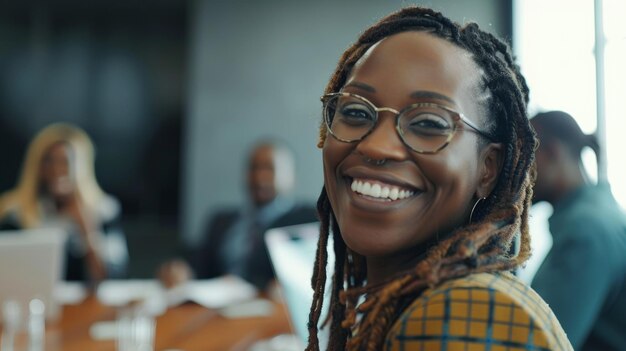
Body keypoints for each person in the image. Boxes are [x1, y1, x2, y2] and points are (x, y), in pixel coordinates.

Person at [305, 7, 572, 351]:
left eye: (429, 123)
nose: (376, 145)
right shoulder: (422, 301)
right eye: (356, 112)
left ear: (487, 167)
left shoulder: (463, 316)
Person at [160, 140, 317, 291]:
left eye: (269, 168)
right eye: (254, 168)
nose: (259, 178)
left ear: (291, 176)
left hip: (269, 311)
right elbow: (199, 264)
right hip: (216, 307)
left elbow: (309, 272)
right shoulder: (221, 220)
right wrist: (183, 270)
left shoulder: (308, 220)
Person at [530, 111, 626, 350]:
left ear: (552, 153)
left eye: (524, 157)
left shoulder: (585, 232)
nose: (514, 171)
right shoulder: (600, 212)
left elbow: (537, 343)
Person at [0, 123, 128, 284]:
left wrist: (86, 228)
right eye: (49, 161)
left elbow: (111, 278)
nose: (57, 170)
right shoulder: (14, 213)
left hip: (84, 306)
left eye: (65, 161)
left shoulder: (104, 211)